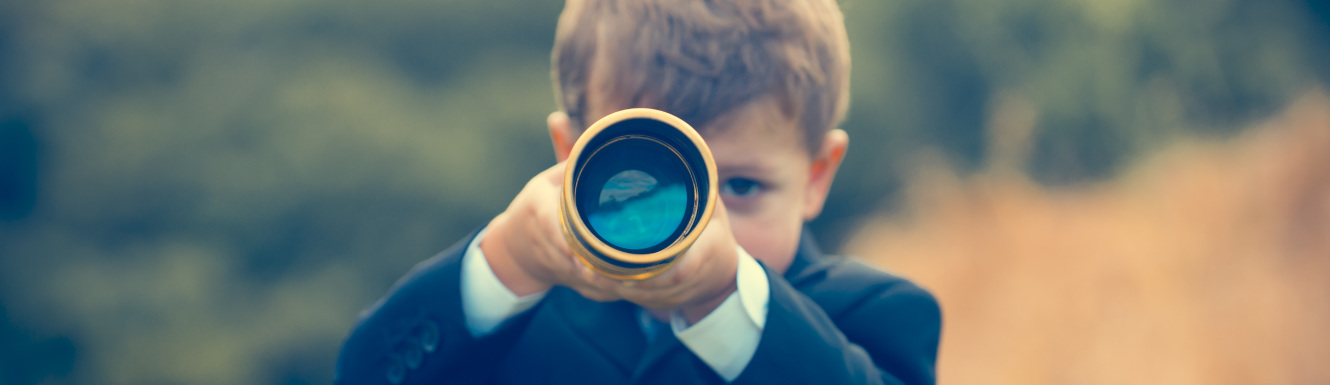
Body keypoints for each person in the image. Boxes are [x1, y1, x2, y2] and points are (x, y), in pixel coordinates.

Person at [333, 0, 942, 383]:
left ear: (816, 176)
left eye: (741, 186)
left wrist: (722, 298)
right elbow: (367, 372)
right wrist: (507, 262)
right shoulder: (521, 313)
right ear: (572, 157)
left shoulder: (876, 314)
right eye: (646, 186)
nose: (702, 225)